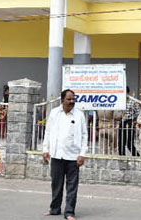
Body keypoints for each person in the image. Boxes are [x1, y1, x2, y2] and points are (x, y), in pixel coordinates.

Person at [42, 89, 87, 220]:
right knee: (56, 184)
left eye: (73, 99)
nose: (72, 101)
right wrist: (46, 149)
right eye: (69, 99)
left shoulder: (79, 115)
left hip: (73, 157)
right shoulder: (55, 113)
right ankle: (54, 209)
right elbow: (48, 132)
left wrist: (82, 154)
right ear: (62, 100)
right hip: (57, 155)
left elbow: (85, 135)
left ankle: (69, 212)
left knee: (72, 186)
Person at [118, 87, 140, 156]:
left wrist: (135, 121)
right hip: (122, 122)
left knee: (129, 143)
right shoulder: (121, 101)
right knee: (121, 142)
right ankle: (122, 157)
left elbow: (138, 112)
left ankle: (136, 156)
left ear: (128, 93)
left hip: (130, 122)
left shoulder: (133, 101)